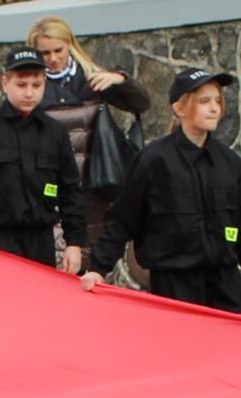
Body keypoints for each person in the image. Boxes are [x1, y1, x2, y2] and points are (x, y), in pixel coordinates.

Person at [80, 68, 241, 313]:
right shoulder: (153, 160)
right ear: (180, 108)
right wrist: (98, 268)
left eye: (217, 100)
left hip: (225, 283)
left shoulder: (230, 163)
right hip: (175, 284)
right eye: (204, 102)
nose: (214, 108)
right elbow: (122, 219)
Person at [0, 48, 87, 268]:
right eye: (21, 85)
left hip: (40, 238)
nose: (29, 93)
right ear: (4, 83)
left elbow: (70, 190)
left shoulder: (55, 132)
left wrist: (74, 243)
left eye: (36, 85)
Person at [29, 15, 151, 247]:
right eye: (45, 53)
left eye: (58, 50)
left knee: (88, 258)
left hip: (92, 183)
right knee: (55, 259)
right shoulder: (31, 86)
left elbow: (141, 103)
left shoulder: (91, 77)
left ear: (70, 46)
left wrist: (120, 79)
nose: (53, 59)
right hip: (49, 184)